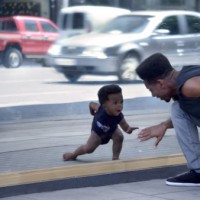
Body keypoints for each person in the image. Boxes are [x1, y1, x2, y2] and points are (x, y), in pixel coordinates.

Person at [135, 53, 200, 186]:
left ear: (160, 83)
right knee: (178, 109)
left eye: (150, 89)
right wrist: (164, 125)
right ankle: (198, 171)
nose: (153, 95)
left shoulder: (190, 86)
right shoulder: (182, 84)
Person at [63, 84, 138, 161]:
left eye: (121, 102)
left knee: (119, 136)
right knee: (89, 148)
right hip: (97, 133)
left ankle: (115, 157)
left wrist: (129, 130)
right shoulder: (99, 109)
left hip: (111, 131)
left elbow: (125, 127)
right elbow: (91, 104)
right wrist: (92, 112)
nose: (120, 106)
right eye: (115, 103)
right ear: (104, 105)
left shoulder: (119, 116)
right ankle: (73, 154)